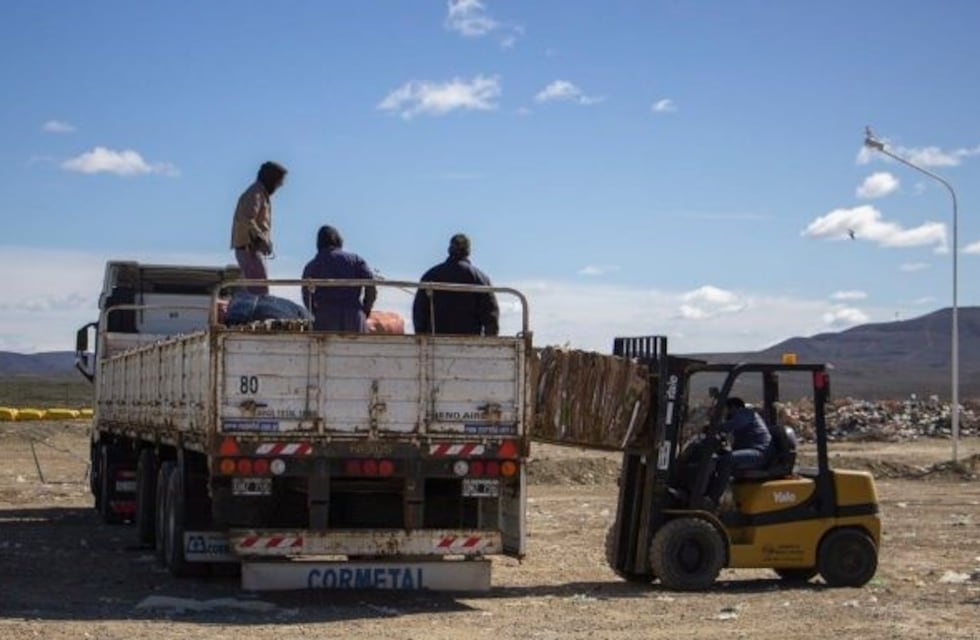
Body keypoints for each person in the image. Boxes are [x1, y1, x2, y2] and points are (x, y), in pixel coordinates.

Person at [412, 233, 499, 336]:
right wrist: (489, 341)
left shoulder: (430, 275)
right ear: (468, 251)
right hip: (471, 343)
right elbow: (491, 316)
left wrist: (421, 338)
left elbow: (419, 312)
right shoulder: (481, 279)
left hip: (434, 342)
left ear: (449, 250)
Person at [301, 225, 377, 332]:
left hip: (325, 321)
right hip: (355, 320)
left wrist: (316, 312)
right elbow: (371, 287)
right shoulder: (356, 260)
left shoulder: (312, 266)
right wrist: (365, 310)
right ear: (339, 240)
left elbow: (306, 295)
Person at [703, 397, 773, 508]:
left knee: (726, 461)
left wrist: (714, 427)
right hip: (753, 451)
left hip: (759, 453)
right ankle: (712, 496)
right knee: (719, 459)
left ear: (733, 407)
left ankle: (712, 500)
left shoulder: (745, 413)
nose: (726, 413)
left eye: (726, 409)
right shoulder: (742, 417)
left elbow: (734, 424)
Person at [230, 161, 288, 294]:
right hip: (250, 250)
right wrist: (260, 239)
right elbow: (246, 218)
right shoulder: (255, 193)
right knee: (259, 293)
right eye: (279, 181)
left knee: (255, 291)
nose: (281, 185)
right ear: (272, 179)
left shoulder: (258, 193)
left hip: (251, 250)